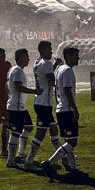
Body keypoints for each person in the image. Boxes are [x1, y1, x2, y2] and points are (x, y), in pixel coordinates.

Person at [40, 47, 80, 176]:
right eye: (75, 55)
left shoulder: (59, 69)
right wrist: (74, 109)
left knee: (70, 140)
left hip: (61, 108)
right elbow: (67, 91)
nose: (78, 58)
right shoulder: (67, 70)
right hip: (67, 110)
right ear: (68, 56)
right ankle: (49, 163)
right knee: (72, 142)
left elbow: (57, 89)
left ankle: (74, 169)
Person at [24, 40, 63, 169]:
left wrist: (54, 65)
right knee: (41, 133)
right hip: (43, 104)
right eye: (50, 49)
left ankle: (64, 157)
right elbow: (51, 81)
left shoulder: (37, 62)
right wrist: (58, 71)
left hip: (40, 102)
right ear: (44, 50)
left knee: (53, 129)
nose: (51, 52)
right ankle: (29, 161)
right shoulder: (46, 63)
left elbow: (45, 76)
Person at [5, 48, 43, 168]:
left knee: (29, 127)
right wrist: (34, 91)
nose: (29, 58)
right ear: (20, 57)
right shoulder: (17, 71)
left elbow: (7, 86)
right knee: (16, 132)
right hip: (16, 108)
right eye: (26, 56)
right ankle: (11, 161)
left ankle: (20, 154)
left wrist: (11, 97)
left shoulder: (14, 70)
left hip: (19, 106)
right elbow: (17, 87)